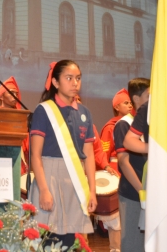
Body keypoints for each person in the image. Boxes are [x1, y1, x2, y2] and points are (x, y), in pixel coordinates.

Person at [29, 60, 97, 248]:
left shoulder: (85, 113)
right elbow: (35, 155)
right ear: (56, 83)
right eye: (69, 78)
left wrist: (92, 190)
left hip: (75, 180)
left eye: (78, 78)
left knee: (69, 238)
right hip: (49, 177)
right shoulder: (44, 110)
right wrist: (43, 189)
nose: (75, 83)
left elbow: (89, 155)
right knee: (47, 237)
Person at [75, 95, 120, 251]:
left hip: (88, 173)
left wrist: (106, 166)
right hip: (69, 176)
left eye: (79, 100)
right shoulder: (59, 125)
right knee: (80, 217)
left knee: (111, 214)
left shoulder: (89, 125)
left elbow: (98, 150)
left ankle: (116, 248)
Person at [113, 78, 150, 252]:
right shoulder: (124, 124)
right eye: (149, 95)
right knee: (132, 243)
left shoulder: (149, 124)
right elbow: (123, 161)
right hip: (132, 193)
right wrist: (142, 189)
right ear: (136, 98)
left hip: (146, 193)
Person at [0, 76, 28, 175]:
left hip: (18, 161)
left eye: (16, 93)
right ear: (1, 96)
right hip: (0, 160)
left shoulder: (21, 116)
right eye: (11, 93)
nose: (15, 96)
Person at [100, 88, 133, 173]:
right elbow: (104, 152)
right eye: (126, 103)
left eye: (131, 103)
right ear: (117, 107)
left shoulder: (134, 125)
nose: (130, 106)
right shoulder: (110, 127)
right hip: (115, 170)